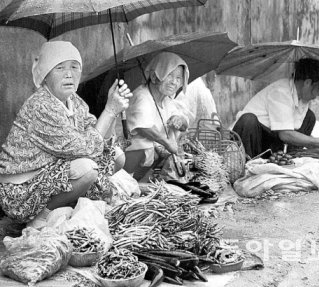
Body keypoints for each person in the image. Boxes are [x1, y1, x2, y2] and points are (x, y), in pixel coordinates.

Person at [0, 41, 132, 228]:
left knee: (116, 156)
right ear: (45, 76)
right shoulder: (41, 106)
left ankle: (64, 203)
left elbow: (98, 138)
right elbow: (86, 149)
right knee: (88, 169)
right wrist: (109, 110)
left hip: (52, 171)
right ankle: (40, 217)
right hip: (21, 189)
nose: (69, 74)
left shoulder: (74, 101)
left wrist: (115, 108)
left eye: (74, 67)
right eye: (60, 68)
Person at [232, 58, 319, 158]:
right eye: (318, 89)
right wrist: (318, 142)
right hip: (254, 138)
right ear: (308, 83)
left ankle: (289, 157)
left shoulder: (302, 98)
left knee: (310, 117)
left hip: (274, 140)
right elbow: (285, 134)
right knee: (248, 119)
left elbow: (294, 128)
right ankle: (247, 163)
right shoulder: (280, 91)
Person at [123, 52, 190, 180]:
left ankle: (138, 180)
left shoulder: (167, 100)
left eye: (178, 78)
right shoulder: (141, 96)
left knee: (161, 149)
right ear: (154, 77)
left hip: (143, 162)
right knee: (149, 146)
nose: (174, 82)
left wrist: (180, 120)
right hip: (125, 156)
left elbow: (184, 125)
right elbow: (143, 126)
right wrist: (167, 143)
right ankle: (128, 180)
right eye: (169, 75)